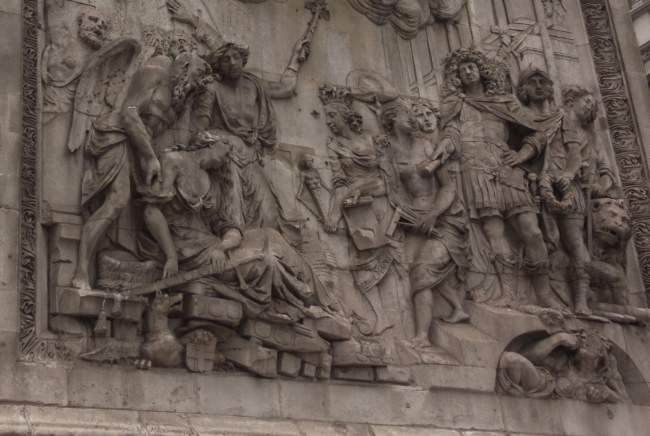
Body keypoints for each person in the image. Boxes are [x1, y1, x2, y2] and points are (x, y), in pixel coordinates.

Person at [137, 131, 337, 320]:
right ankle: (304, 301)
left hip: (210, 244)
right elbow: (151, 211)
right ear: (211, 143)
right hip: (185, 247)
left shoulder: (213, 181)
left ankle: (325, 300)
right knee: (268, 262)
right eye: (226, 150)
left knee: (271, 236)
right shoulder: (174, 160)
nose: (228, 157)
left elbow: (226, 225)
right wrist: (171, 256)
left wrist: (223, 247)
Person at [166, 0, 311, 234]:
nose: (232, 63)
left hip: (250, 158)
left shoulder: (255, 85)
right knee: (234, 219)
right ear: (219, 64)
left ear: (243, 59)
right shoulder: (212, 88)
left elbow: (286, 88)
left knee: (270, 216)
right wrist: (222, 142)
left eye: (236, 57)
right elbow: (198, 132)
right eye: (226, 59)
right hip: (226, 158)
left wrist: (296, 58)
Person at [71, 52, 209, 291]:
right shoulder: (153, 74)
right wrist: (151, 157)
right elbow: (129, 114)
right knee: (117, 201)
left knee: (152, 203)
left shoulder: (180, 97)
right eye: (198, 74)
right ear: (186, 67)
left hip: (142, 148)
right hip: (118, 135)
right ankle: (82, 267)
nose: (199, 82)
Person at [432, 47, 556, 310]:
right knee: (493, 233)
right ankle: (508, 293)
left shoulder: (506, 101)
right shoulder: (456, 104)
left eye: (472, 67)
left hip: (506, 167)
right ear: (456, 77)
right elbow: (452, 133)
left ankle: (544, 294)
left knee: (532, 231)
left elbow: (537, 134)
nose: (468, 72)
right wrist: (444, 146)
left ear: (482, 70)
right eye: (462, 70)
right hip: (474, 168)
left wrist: (521, 155)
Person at [517, 70, 615, 315]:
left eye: (544, 82)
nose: (539, 87)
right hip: (534, 184)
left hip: (566, 186)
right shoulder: (520, 114)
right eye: (532, 83)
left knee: (574, 240)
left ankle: (581, 299)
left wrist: (569, 176)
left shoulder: (566, 120)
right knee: (538, 236)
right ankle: (543, 292)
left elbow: (575, 153)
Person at [319, 86, 413, 335]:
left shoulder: (377, 141)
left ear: (345, 115)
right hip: (359, 214)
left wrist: (358, 187)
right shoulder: (333, 146)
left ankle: (408, 322)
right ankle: (381, 318)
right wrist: (333, 216)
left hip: (385, 207)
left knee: (400, 264)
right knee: (361, 268)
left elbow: (390, 181)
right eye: (326, 117)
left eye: (332, 116)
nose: (328, 122)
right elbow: (340, 183)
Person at [382, 100, 470, 349]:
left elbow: (449, 188)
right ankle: (458, 308)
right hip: (416, 217)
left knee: (421, 270)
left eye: (416, 114)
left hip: (446, 218)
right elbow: (388, 188)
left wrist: (432, 215)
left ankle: (422, 336)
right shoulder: (387, 150)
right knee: (427, 268)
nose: (412, 118)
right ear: (391, 119)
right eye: (406, 113)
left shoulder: (426, 146)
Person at [497, 328, 630, 403]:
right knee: (511, 359)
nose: (583, 338)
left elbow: (627, 403)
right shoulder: (561, 360)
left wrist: (606, 394)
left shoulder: (605, 373)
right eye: (581, 336)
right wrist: (557, 339)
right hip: (543, 390)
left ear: (601, 351)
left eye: (589, 337)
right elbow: (523, 357)